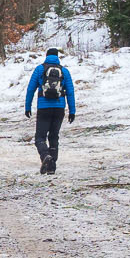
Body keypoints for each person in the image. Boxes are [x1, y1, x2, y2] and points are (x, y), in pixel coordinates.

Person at [23, 46, 76, 174]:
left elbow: (30, 89)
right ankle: (51, 166)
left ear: (46, 56)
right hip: (59, 108)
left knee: (40, 138)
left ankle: (45, 157)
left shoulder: (40, 69)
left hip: (43, 107)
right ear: (58, 57)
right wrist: (72, 111)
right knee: (54, 136)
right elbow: (70, 92)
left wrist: (27, 107)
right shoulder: (64, 71)